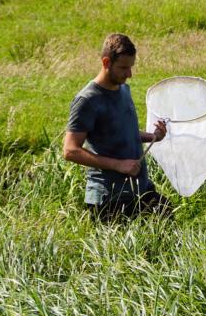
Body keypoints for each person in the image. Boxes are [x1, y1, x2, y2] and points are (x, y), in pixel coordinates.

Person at [63, 33, 171, 221]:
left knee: (167, 219)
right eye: (123, 68)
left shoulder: (123, 90)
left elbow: (122, 133)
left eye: (131, 67)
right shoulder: (87, 100)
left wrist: (153, 136)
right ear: (106, 62)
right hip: (109, 200)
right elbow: (70, 151)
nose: (129, 74)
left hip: (140, 190)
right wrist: (118, 165)